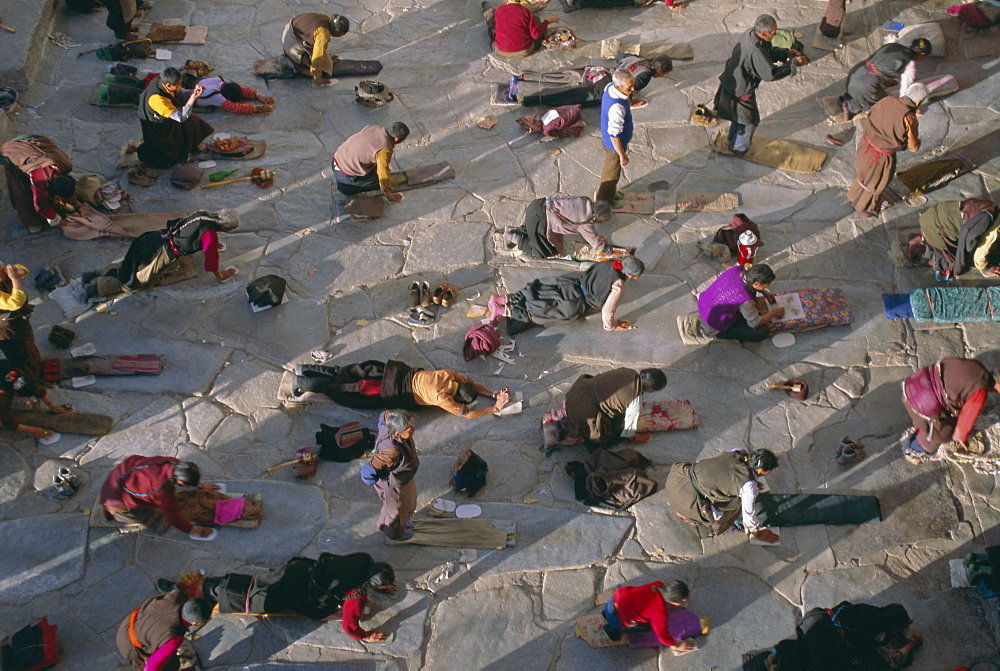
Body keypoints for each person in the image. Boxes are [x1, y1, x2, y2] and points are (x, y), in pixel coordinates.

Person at [158, 553, 397, 641]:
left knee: (241, 586)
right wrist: (364, 635)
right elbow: (349, 625)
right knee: (249, 598)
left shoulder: (364, 560)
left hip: (300, 571)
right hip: (303, 594)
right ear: (371, 584)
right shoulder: (356, 598)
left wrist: (376, 582)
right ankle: (180, 596)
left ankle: (183, 590)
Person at [81, 210, 239, 300]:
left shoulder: (203, 214)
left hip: (153, 237)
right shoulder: (210, 236)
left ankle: (94, 273)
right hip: (161, 250)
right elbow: (212, 262)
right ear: (225, 228)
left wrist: (206, 244)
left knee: (130, 262)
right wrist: (221, 274)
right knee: (135, 280)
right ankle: (96, 288)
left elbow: (184, 227)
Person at [713, 14, 807, 154]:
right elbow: (770, 74)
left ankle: (732, 139)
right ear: (763, 33)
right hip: (741, 89)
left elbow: (767, 51)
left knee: (739, 116)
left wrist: (786, 54)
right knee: (749, 120)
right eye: (773, 33)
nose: (774, 36)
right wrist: (792, 64)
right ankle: (738, 148)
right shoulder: (755, 49)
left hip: (733, 81)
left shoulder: (751, 34)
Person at [290, 360, 510, 417]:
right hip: (384, 389)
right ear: (459, 399)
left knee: (347, 372)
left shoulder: (449, 375)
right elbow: (468, 415)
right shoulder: (443, 398)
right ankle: (302, 383)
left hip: (388, 371)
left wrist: (492, 393)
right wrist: (495, 408)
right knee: (344, 390)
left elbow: (472, 384)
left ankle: (307, 368)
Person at [488, 257, 645, 335]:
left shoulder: (611, 262)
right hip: (575, 302)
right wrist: (611, 326)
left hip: (570, 283)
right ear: (632, 276)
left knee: (539, 292)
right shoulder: (618, 285)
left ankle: (501, 299)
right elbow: (607, 312)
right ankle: (502, 311)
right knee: (538, 310)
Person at [665, 448, 781, 542]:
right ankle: (693, 518)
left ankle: (685, 512)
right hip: (689, 502)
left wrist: (752, 481)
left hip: (677, 480)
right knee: (737, 505)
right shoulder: (749, 487)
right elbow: (748, 515)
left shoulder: (737, 452)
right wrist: (757, 533)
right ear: (761, 471)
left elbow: (727, 473)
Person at [766, 602, 922, 670]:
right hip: (823, 649)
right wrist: (913, 642)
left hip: (814, 624)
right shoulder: (878, 634)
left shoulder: (865, 609)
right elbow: (895, 660)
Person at [846, 84, 925, 218]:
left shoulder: (887, 100)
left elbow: (870, 113)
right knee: (875, 184)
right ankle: (864, 207)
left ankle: (853, 195)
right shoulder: (909, 118)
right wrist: (917, 141)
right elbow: (913, 147)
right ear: (918, 102)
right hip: (880, 158)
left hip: (865, 145)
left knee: (864, 175)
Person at [902, 357, 1000, 456]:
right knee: (941, 434)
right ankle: (916, 448)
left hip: (913, 387)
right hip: (922, 404)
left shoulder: (977, 366)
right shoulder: (980, 393)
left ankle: (920, 426)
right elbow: (963, 425)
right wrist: (962, 438)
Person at [99, 455, 216, 537]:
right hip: (113, 497)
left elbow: (187, 475)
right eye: (187, 486)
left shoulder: (172, 462)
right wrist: (191, 530)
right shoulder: (162, 491)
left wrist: (200, 485)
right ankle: (115, 511)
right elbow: (173, 515)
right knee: (149, 517)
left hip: (120, 474)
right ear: (180, 483)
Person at [565, 367, 667, 448]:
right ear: (651, 390)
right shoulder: (636, 400)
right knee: (603, 440)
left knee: (617, 411)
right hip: (585, 411)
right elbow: (629, 430)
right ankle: (589, 438)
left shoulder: (627, 371)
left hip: (575, 394)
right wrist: (631, 437)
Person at [115, 590, 213, 671]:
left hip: (128, 624)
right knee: (170, 667)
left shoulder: (177, 595)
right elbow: (151, 668)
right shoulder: (173, 640)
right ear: (195, 623)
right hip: (129, 645)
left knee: (169, 657)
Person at [137, 67, 215, 169]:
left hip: (167, 118)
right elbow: (180, 117)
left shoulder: (163, 81)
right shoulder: (158, 100)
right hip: (157, 128)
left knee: (193, 120)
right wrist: (192, 99)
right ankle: (183, 152)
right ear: (168, 85)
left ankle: (192, 144)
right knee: (171, 155)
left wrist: (194, 92)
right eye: (177, 85)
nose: (179, 86)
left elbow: (181, 93)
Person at [362, 410, 420, 540]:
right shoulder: (392, 451)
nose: (413, 429)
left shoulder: (390, 423)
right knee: (396, 512)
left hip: (404, 478)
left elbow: (384, 414)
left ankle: (404, 521)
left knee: (408, 503)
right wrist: (381, 483)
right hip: (395, 485)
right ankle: (395, 533)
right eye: (409, 428)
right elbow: (368, 471)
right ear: (397, 433)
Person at [841, 39, 932, 120]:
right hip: (866, 84)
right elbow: (905, 90)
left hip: (856, 71)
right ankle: (850, 107)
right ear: (923, 55)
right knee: (883, 105)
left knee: (856, 91)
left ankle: (848, 98)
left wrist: (885, 80)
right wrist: (909, 109)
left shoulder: (894, 45)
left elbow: (880, 64)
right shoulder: (910, 65)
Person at [0, 134, 76, 233]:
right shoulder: (40, 180)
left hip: (37, 142)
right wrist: (53, 218)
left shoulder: (66, 165)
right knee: (21, 192)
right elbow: (39, 205)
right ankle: (31, 221)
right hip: (12, 151)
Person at [602, 580, 700, 651]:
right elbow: (662, 636)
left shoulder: (657, 585)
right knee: (647, 628)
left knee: (624, 609)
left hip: (613, 599)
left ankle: (606, 614)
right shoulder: (659, 613)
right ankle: (612, 629)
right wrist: (677, 645)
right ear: (673, 601)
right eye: (682, 600)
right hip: (616, 618)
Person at [697, 263, 784, 342]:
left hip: (704, 308)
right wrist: (773, 313)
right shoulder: (745, 299)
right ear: (756, 284)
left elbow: (748, 285)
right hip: (714, 327)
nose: (763, 288)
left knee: (754, 310)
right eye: (764, 286)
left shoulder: (737, 269)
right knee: (762, 331)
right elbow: (755, 324)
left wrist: (764, 292)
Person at [917, 198, 1000, 280]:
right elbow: (979, 257)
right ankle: (938, 258)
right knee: (960, 254)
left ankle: (938, 258)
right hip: (939, 221)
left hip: (937, 214)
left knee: (954, 254)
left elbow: (977, 256)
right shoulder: (993, 230)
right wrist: (984, 269)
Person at [510, 194, 614, 260]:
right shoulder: (586, 221)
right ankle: (514, 237)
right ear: (598, 218)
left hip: (537, 205)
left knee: (531, 229)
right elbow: (597, 244)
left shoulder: (583, 200)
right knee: (541, 252)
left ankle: (523, 228)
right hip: (541, 220)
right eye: (601, 221)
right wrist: (609, 251)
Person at [332, 122, 409, 202]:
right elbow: (383, 172)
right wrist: (388, 194)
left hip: (336, 160)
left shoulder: (373, 128)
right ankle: (346, 187)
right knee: (378, 183)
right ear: (397, 139)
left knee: (376, 169)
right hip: (345, 174)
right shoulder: (384, 149)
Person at [0, 363, 72, 441]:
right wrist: (34, 430)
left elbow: (36, 388)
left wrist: (52, 406)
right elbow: (8, 422)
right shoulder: (3, 398)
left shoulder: (15, 373)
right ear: (16, 393)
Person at [596, 70, 635, 205]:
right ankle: (605, 201)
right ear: (618, 87)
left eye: (633, 85)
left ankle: (611, 193)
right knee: (611, 174)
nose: (632, 89)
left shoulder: (609, 87)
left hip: (609, 140)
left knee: (611, 170)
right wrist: (622, 155)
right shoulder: (617, 107)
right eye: (629, 87)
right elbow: (614, 135)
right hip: (614, 146)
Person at [282, 13, 350, 85]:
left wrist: (326, 55)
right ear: (336, 30)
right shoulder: (323, 34)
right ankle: (288, 61)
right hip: (292, 43)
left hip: (291, 31)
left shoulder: (326, 19)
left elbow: (318, 45)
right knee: (321, 70)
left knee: (326, 61)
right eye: (341, 34)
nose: (340, 36)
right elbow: (317, 57)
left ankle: (293, 57)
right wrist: (318, 76)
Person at [486, 0, 559, 58]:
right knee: (535, 19)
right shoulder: (525, 11)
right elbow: (535, 35)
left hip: (501, 51)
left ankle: (488, 9)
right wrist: (547, 22)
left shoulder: (499, 10)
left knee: (491, 19)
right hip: (525, 51)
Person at [179, 73, 276, 115]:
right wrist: (256, 109)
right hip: (187, 97)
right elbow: (234, 107)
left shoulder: (221, 80)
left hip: (199, 84)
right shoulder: (216, 97)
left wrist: (258, 95)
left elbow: (241, 89)